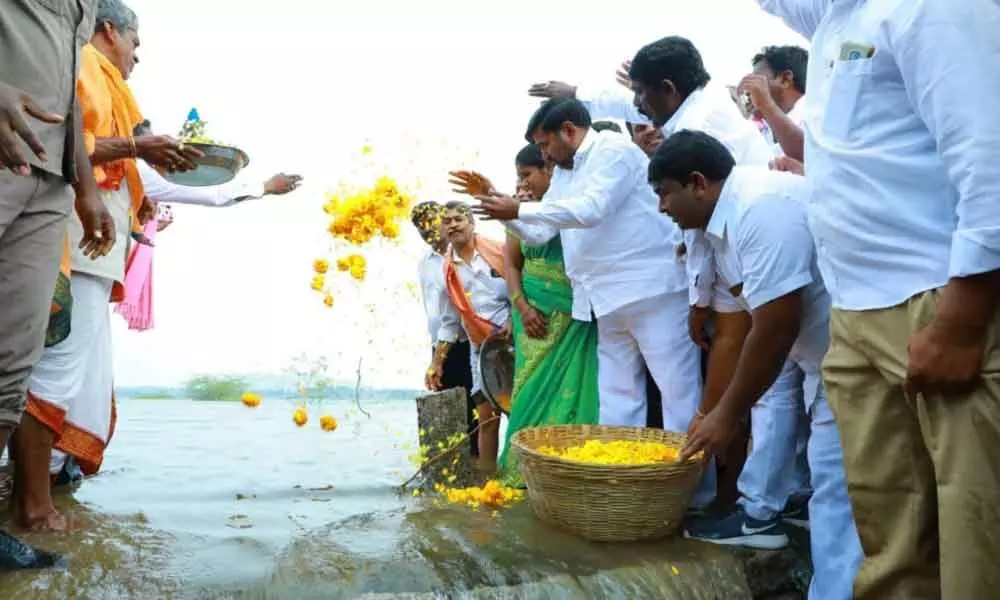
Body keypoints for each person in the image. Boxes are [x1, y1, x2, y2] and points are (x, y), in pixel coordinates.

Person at [756, 1, 1000, 597]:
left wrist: (962, 320)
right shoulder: (838, 15)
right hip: (858, 314)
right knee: (893, 542)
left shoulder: (931, 8)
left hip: (941, 302)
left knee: (977, 539)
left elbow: (990, 159)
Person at [531, 38, 809, 520]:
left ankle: (742, 503)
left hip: (728, 262)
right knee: (749, 388)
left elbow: (698, 234)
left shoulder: (700, 137)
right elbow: (697, 227)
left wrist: (699, 299)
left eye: (663, 194)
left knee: (766, 390)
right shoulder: (685, 115)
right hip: (707, 264)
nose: (661, 206)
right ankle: (678, 491)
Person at [15, 0, 200, 532]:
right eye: (135, 44)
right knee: (53, 371)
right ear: (109, 29)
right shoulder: (74, 66)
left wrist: (251, 189)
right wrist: (136, 149)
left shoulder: (115, 89)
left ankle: (42, 490)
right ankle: (32, 507)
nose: (137, 58)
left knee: (69, 375)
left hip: (95, 253)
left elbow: (129, 168)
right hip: (66, 240)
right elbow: (60, 138)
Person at [474, 99, 715, 506]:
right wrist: (505, 212)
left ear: (569, 130)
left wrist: (520, 207)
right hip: (602, 299)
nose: (545, 155)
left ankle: (692, 497)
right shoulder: (567, 174)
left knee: (678, 394)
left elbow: (592, 210)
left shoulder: (613, 151)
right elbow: (539, 235)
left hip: (649, 290)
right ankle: (623, 491)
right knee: (618, 400)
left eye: (546, 144)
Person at [654, 130, 861, 599]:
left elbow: (775, 327)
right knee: (825, 476)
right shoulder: (722, 223)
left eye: (665, 193)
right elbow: (736, 329)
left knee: (836, 491)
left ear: (698, 183)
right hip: (817, 357)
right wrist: (708, 416)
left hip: (846, 355)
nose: (663, 208)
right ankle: (774, 523)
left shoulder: (759, 209)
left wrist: (726, 416)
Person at [0, 0, 116, 566]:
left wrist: (85, 188)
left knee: (13, 361)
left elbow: (68, 93)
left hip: (51, 180)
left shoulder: (85, 9)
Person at [452, 143, 600, 486]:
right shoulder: (518, 216)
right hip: (530, 314)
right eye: (518, 176)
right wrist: (521, 306)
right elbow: (513, 265)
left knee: (576, 386)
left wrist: (497, 196)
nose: (523, 183)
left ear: (551, 172)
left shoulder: (569, 209)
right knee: (528, 389)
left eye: (528, 174)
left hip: (572, 313)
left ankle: (567, 471)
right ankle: (523, 472)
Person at [429, 202, 510, 474]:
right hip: (481, 348)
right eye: (447, 221)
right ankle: (488, 483)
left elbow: (522, 290)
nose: (452, 224)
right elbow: (450, 323)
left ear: (471, 223)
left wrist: (514, 320)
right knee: (487, 417)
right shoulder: (447, 271)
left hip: (514, 340)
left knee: (522, 410)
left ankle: (522, 477)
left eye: (458, 219)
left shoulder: (498, 251)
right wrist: (437, 363)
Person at [412, 201, 476, 456]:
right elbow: (434, 310)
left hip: (467, 342)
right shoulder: (425, 262)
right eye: (420, 227)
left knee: (474, 411)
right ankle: (457, 471)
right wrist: (436, 356)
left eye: (430, 223)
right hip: (439, 345)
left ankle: (481, 466)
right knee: (447, 414)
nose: (426, 231)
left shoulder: (461, 255)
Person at [738, 45, 808, 161]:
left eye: (756, 80)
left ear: (785, 79)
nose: (748, 91)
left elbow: (809, 158)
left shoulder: (817, 123)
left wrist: (766, 105)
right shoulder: (766, 130)